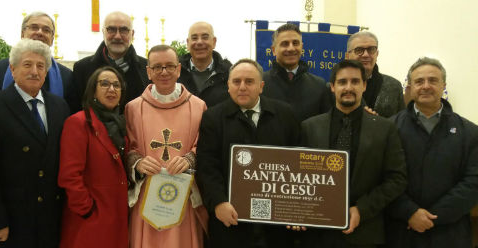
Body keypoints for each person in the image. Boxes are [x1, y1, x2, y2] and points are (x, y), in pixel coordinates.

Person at [0, 39, 70, 248]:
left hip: (51, 218)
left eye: (40, 66)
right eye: (27, 65)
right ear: (13, 69)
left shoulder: (59, 106)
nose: (34, 71)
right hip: (13, 220)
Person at [300, 60, 407, 248]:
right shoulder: (309, 127)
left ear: (364, 86)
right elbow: (297, 176)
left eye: (355, 81)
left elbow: (396, 179)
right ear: (332, 87)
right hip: (318, 233)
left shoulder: (385, 128)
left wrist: (362, 209)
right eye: (342, 82)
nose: (348, 87)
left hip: (365, 233)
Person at [196, 59, 300, 248]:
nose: (242, 87)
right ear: (228, 86)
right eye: (236, 82)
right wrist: (218, 203)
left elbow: (299, 162)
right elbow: (207, 166)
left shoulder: (286, 114)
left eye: (249, 82)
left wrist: (298, 209)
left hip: (276, 224)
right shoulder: (212, 118)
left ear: (261, 86)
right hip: (230, 219)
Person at [386, 57, 478, 248]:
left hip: (450, 234)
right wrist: (410, 212)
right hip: (401, 231)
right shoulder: (389, 128)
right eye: (419, 81)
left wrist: (433, 217)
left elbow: (473, 183)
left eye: (433, 80)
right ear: (409, 87)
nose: (426, 86)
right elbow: (381, 177)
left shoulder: (470, 132)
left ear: (443, 85)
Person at [125, 44, 207, 248]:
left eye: (170, 66)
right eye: (157, 67)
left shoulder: (198, 106)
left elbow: (207, 147)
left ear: (179, 69)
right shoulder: (133, 108)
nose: (164, 72)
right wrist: (137, 163)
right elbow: (126, 147)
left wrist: (190, 159)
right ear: (148, 72)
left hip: (184, 196)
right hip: (146, 196)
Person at [57, 66, 129, 248]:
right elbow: (70, 175)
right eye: (104, 84)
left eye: (116, 85)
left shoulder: (122, 125)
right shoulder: (79, 122)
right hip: (90, 219)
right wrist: (87, 210)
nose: (111, 89)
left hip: (117, 214)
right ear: (93, 90)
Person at [69, 11, 149, 113]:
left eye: (124, 30)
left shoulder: (147, 68)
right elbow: (77, 110)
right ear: (103, 33)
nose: (117, 36)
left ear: (132, 34)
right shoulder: (82, 68)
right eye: (111, 30)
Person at [0, 11, 73, 101]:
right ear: (22, 34)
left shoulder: (66, 76)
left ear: (52, 39)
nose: (40, 32)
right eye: (34, 27)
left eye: (46, 30)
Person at [261, 23, 331, 122]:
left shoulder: (319, 86)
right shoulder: (261, 84)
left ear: (301, 47)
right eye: (285, 44)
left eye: (295, 43)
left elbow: (324, 125)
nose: (291, 48)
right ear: (273, 50)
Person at [345, 31, 404, 117]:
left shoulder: (394, 86)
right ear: (347, 56)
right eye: (359, 50)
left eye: (371, 49)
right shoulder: (336, 87)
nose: (365, 54)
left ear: (377, 54)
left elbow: (400, 123)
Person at [178, 21, 232, 107]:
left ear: (214, 42)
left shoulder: (229, 74)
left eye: (205, 37)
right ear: (188, 43)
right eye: (194, 38)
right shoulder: (175, 73)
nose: (199, 42)